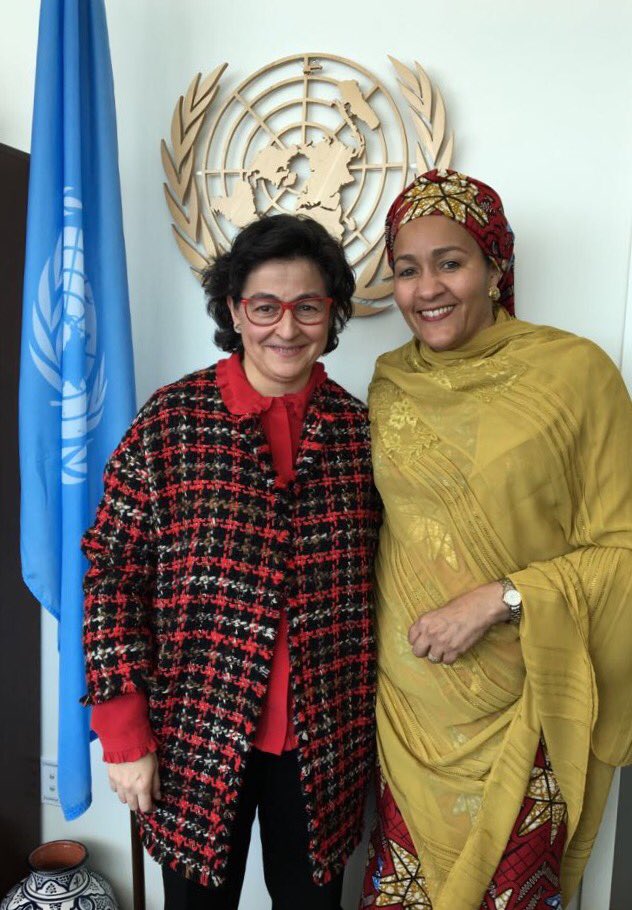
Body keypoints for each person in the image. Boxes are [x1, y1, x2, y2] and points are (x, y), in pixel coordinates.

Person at [81, 213, 381, 909]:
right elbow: (112, 575)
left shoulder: (360, 432)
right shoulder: (170, 422)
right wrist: (123, 732)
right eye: (265, 306)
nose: (287, 328)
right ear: (235, 310)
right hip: (193, 733)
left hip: (325, 741)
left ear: (332, 313)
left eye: (308, 306)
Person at [361, 168, 632, 910]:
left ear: (495, 266)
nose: (427, 289)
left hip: (528, 705)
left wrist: (499, 599)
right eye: (406, 270)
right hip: (411, 709)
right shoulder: (389, 383)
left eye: (450, 262)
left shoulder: (574, 374)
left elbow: (624, 550)